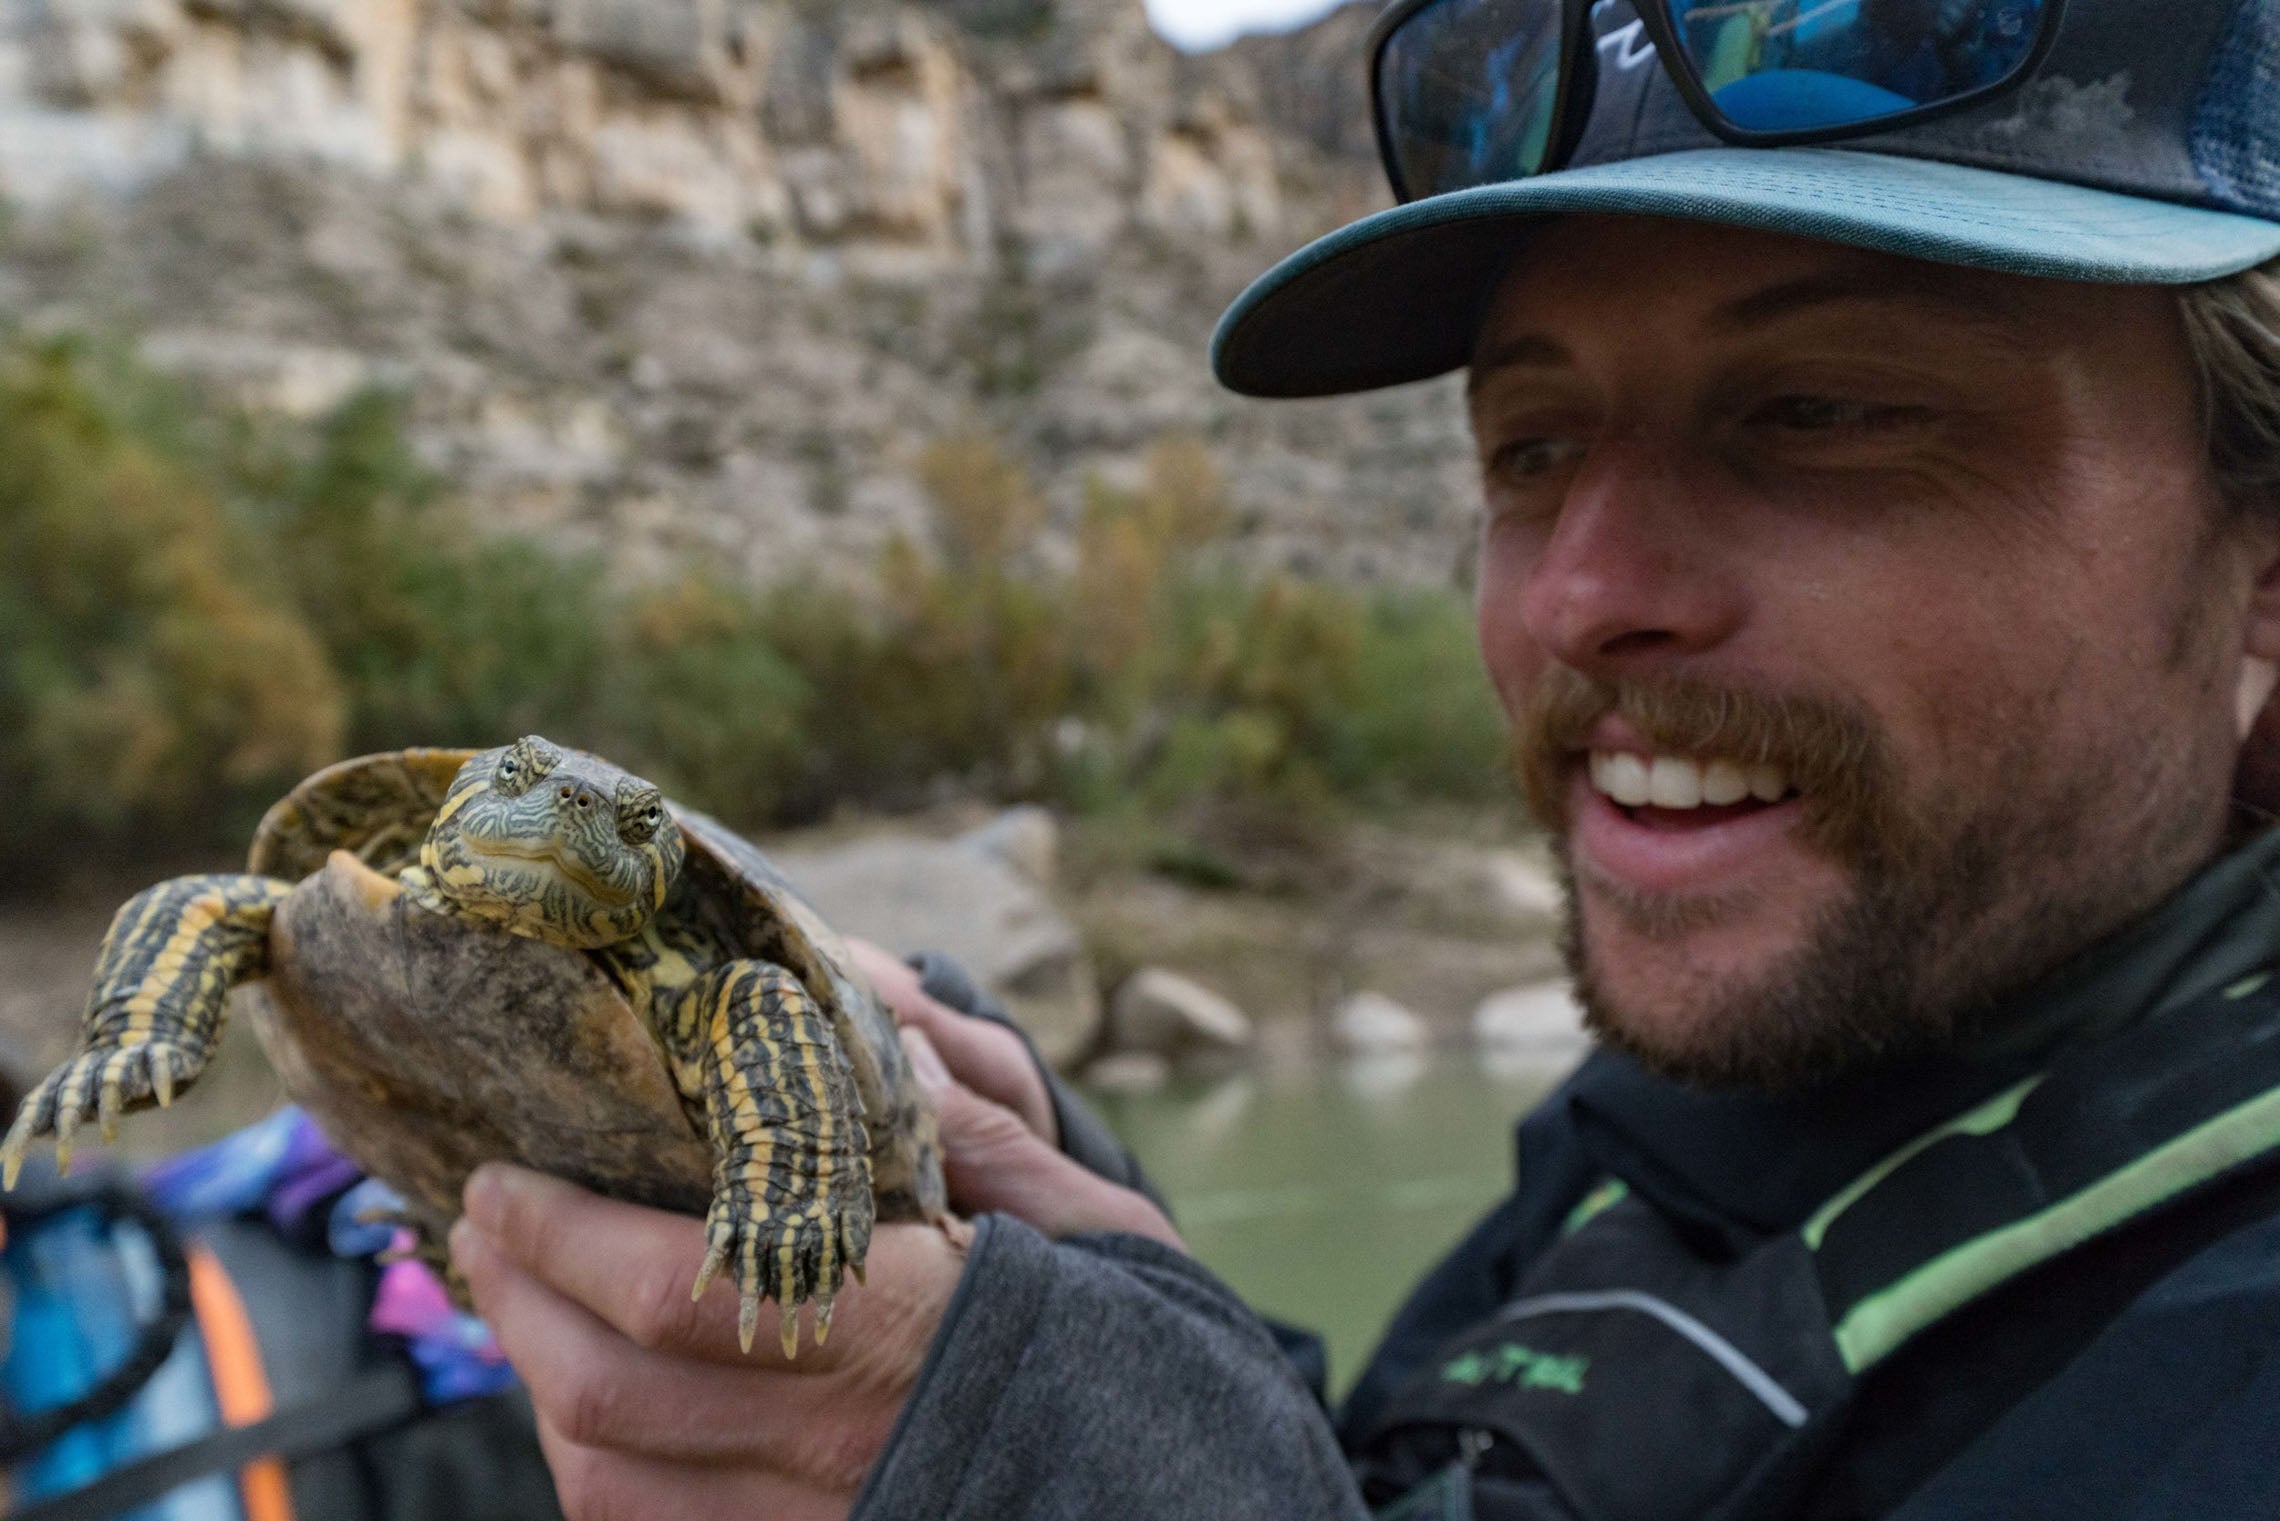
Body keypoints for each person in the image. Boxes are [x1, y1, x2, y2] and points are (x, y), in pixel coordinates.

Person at [448, 0, 2280, 1514]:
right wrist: (1089, 1300)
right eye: (1530, 445)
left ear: (2259, 580)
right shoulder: (1681, 1134)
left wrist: (1035, 1480)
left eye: (1823, 413)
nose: (1581, 595)